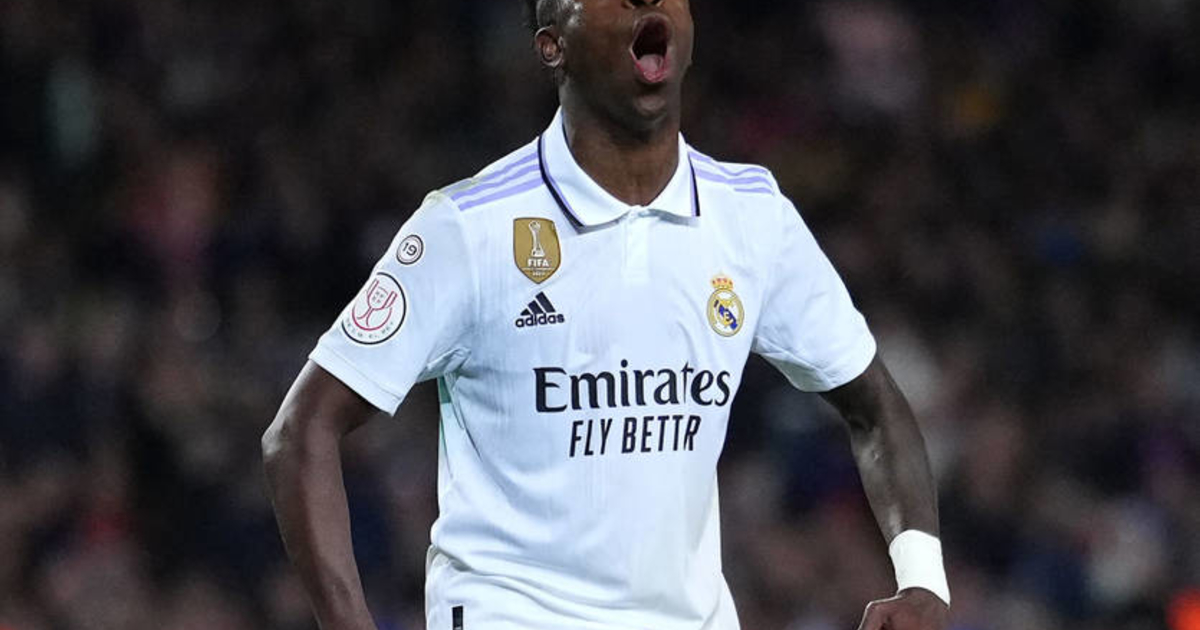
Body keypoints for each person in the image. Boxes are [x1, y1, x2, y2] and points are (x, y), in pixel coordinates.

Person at [261, 1, 952, 629]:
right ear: (552, 46)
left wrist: (922, 579)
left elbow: (873, 404)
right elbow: (299, 431)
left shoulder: (751, 216)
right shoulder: (470, 228)